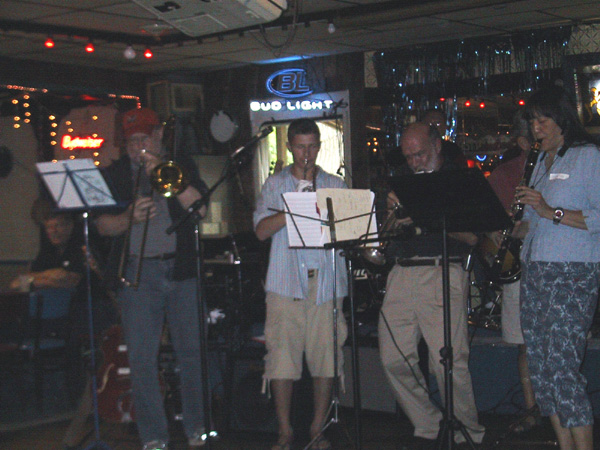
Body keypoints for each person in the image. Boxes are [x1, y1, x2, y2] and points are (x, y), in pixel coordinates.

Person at [95, 108, 210, 450]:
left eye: (144, 139)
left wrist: (166, 173)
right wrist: (128, 218)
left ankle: (198, 429)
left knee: (192, 353)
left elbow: (201, 209)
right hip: (138, 273)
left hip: (181, 271)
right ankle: (154, 436)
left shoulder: (180, 165)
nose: (137, 147)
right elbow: (102, 226)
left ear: (159, 135)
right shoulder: (114, 175)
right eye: (131, 141)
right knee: (142, 360)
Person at [378, 122, 485, 449]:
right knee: (393, 358)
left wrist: (424, 214)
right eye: (408, 156)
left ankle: (467, 432)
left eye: (420, 154)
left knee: (447, 363)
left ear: (437, 146)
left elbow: (473, 236)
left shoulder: (458, 179)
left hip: (442, 270)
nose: (414, 162)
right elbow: (387, 236)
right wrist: (392, 216)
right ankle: (428, 421)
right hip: (401, 271)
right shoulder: (402, 180)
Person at [513, 86, 600, 450]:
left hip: (573, 272)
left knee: (563, 366)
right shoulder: (539, 164)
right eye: (532, 121)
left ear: (562, 119)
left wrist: (551, 211)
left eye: (543, 120)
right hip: (536, 271)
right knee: (541, 366)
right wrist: (513, 228)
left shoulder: (588, 156)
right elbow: (534, 224)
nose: (536, 128)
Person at [253, 118, 348, 450]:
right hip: (285, 284)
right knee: (281, 359)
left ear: (319, 146)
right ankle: (285, 431)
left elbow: (350, 233)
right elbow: (260, 231)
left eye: (312, 147)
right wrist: (294, 207)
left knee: (326, 359)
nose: (307, 154)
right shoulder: (274, 184)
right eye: (300, 147)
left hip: (325, 282)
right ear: (289, 147)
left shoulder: (335, 184)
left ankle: (317, 428)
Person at [485, 111, 540, 433]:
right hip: (518, 266)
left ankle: (558, 409)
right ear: (523, 142)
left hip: (554, 264)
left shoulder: (561, 167)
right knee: (524, 343)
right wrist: (499, 232)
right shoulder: (505, 174)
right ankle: (532, 410)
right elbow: (488, 228)